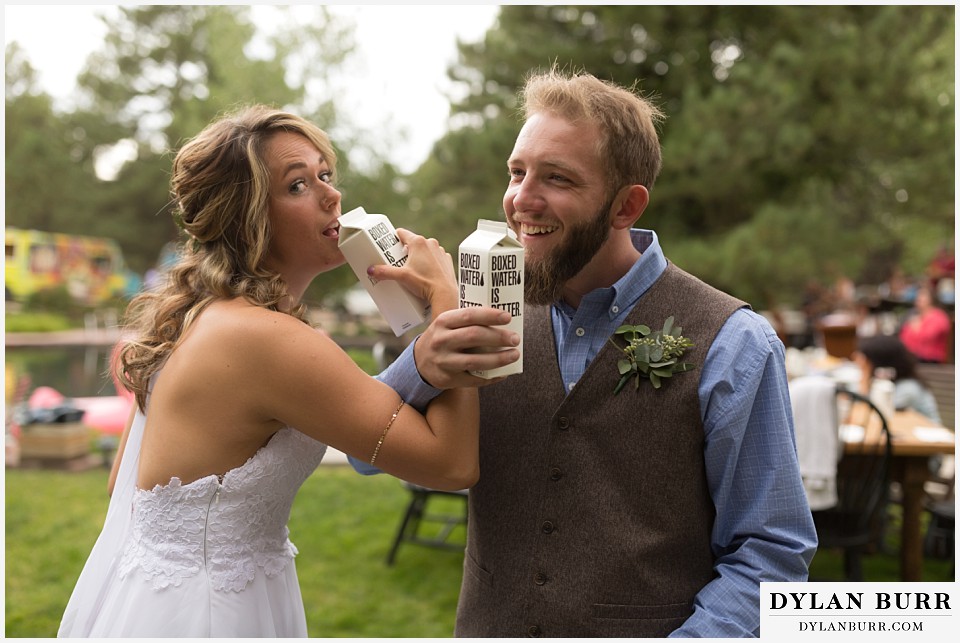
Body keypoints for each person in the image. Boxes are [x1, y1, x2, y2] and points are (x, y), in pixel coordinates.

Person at [353, 69, 817, 637]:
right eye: (517, 172)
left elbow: (770, 554)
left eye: (557, 179)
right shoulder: (485, 302)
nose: (521, 200)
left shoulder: (734, 343)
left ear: (626, 206)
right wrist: (424, 362)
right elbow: (362, 451)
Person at [58, 105, 519, 638]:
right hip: (211, 614)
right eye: (298, 185)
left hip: (154, 599)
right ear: (248, 216)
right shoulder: (267, 339)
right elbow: (451, 466)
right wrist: (446, 299)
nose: (331, 196)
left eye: (326, 175)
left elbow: (124, 484)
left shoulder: (196, 315)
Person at [853, 334, 942, 423]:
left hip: (927, 434)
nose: (859, 362)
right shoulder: (883, 384)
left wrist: (865, 377)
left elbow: (878, 411)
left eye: (865, 359)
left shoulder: (908, 387)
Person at [899, 283, 952, 363]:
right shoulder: (915, 316)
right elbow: (904, 338)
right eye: (918, 295)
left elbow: (928, 337)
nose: (918, 298)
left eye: (922, 295)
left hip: (931, 360)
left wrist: (917, 329)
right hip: (912, 356)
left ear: (931, 298)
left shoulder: (939, 317)